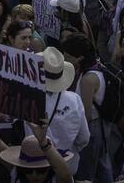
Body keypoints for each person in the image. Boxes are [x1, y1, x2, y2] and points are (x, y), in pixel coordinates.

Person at [59, 34, 112, 182]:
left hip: (92, 128)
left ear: (80, 58)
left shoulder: (88, 79)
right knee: (102, 162)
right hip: (99, 126)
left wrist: (77, 136)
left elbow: (86, 115)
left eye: (69, 56)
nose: (64, 58)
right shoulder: (94, 67)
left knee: (87, 169)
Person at [34, 47, 90, 175]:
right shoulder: (75, 100)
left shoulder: (31, 101)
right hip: (67, 165)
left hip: (36, 168)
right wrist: (68, 150)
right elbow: (84, 138)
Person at [0, 114, 75, 183]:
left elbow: (66, 176)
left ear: (50, 167)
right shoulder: (17, 173)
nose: (34, 176)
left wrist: (43, 142)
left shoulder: (56, 179)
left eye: (41, 170)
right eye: (28, 170)